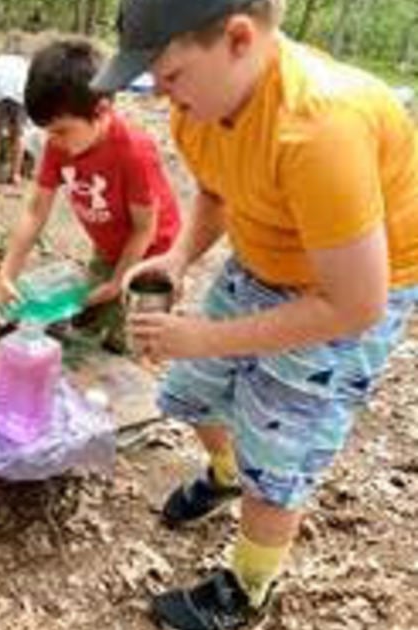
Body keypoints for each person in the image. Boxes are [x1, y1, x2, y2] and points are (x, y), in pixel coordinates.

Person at [93, 0, 418, 628]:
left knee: (278, 452)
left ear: (239, 39)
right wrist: (179, 257)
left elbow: (355, 304)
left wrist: (206, 336)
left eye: (171, 74)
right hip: (261, 260)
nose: (160, 94)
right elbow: (217, 190)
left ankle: (247, 588)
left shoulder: (320, 128)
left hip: (347, 293)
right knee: (191, 393)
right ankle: (222, 476)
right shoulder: (201, 106)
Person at [0, 40, 181, 352]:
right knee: (86, 325)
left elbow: (144, 228)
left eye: (61, 131)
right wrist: (7, 272)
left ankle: (147, 353)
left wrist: (118, 283)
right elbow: (35, 210)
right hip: (108, 247)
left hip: (151, 257)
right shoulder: (58, 144)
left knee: (129, 341)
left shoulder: (134, 151)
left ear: (101, 110)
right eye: (48, 131)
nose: (53, 141)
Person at [0, 34, 30, 186]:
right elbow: (29, 86)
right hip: (18, 95)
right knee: (18, 135)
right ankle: (15, 175)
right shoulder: (25, 62)